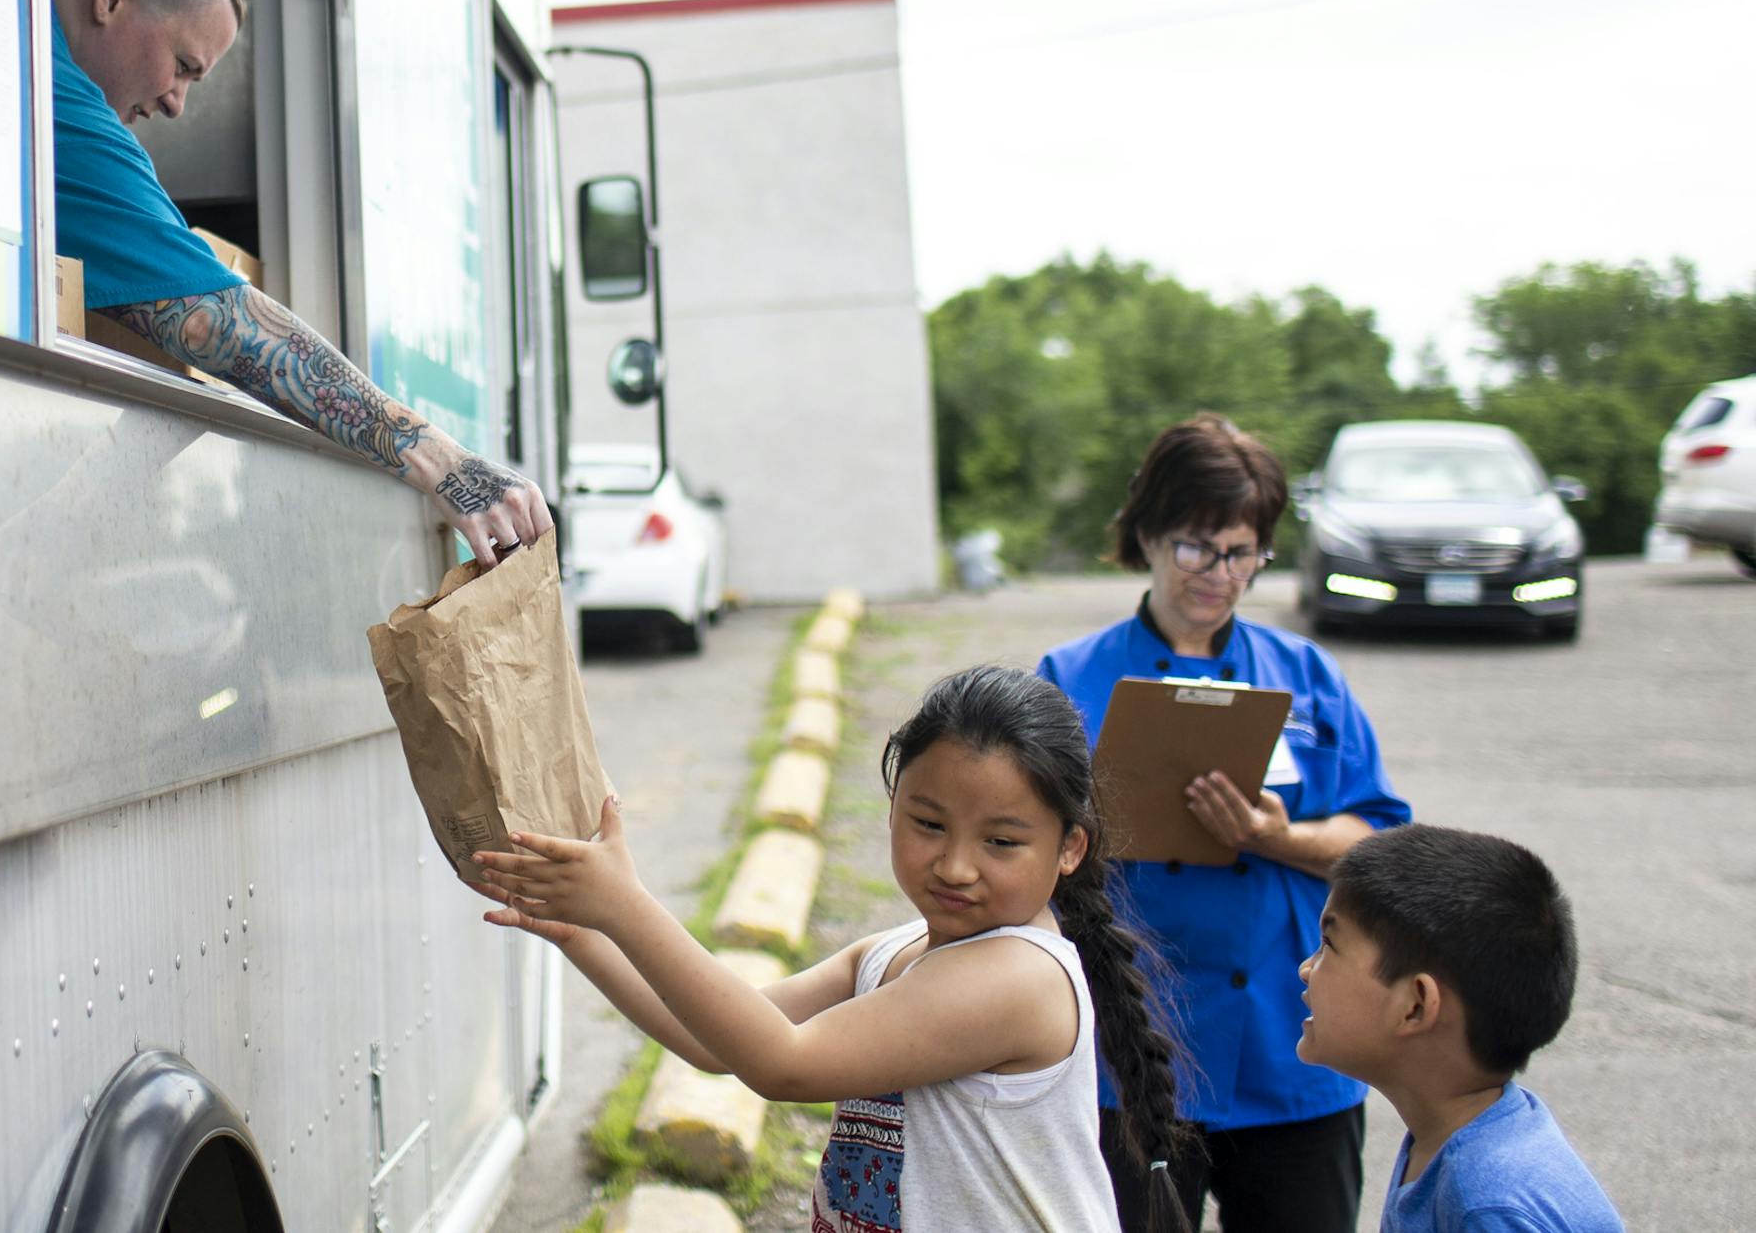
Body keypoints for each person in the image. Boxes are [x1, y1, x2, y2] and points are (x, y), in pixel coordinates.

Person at [474, 665, 1196, 1232]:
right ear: (892, 805)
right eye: (928, 822)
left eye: (1001, 842)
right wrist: (579, 927)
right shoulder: (894, 952)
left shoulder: (1018, 978)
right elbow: (713, 1039)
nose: (954, 865)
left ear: (1071, 848)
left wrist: (624, 907)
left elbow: (783, 1064)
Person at [49, 0, 549, 565]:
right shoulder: (52, 94)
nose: (175, 103)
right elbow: (213, 320)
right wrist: (446, 464)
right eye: (184, 66)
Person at [1037, 412, 1412, 1232]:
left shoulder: (1306, 673)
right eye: (1196, 547)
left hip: (1294, 1050)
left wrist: (1277, 838)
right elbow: (1022, 852)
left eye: (1242, 552)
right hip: (1128, 1050)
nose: (1219, 573)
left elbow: (1382, 849)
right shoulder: (1069, 677)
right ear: (1147, 534)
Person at [1301, 824, 1623, 1232]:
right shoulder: (1446, 1140)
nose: (1307, 969)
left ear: (1415, 1005)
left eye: (1329, 946)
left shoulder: (1487, 1205)